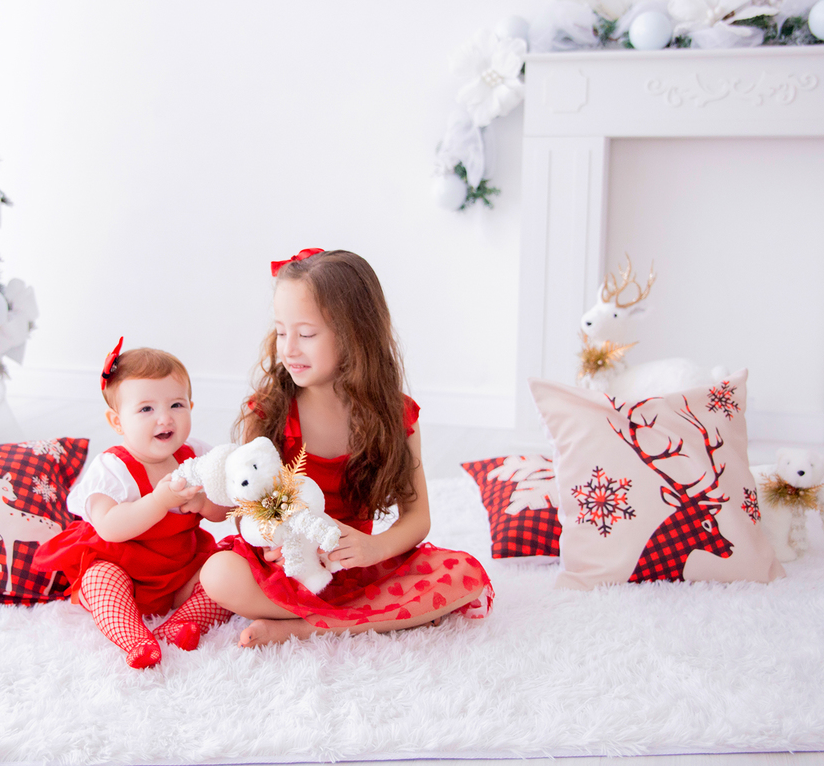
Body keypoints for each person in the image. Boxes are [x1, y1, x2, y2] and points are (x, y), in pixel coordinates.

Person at [200, 249, 493, 647]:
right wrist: (273, 545)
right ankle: (374, 618)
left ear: (356, 334)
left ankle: (303, 627)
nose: (288, 349)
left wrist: (375, 548)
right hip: (293, 565)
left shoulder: (396, 415)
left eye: (305, 334)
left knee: (466, 574)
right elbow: (245, 502)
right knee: (217, 573)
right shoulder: (269, 410)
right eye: (281, 331)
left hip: (359, 565)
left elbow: (417, 518)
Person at [34, 340, 232, 668]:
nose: (165, 418)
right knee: (100, 579)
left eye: (177, 405)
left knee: (227, 572)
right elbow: (110, 527)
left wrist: (203, 502)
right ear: (117, 422)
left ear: (191, 407)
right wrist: (159, 501)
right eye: (146, 409)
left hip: (178, 571)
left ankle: (181, 624)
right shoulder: (112, 468)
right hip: (125, 571)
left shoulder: (196, 455)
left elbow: (226, 510)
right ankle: (135, 638)